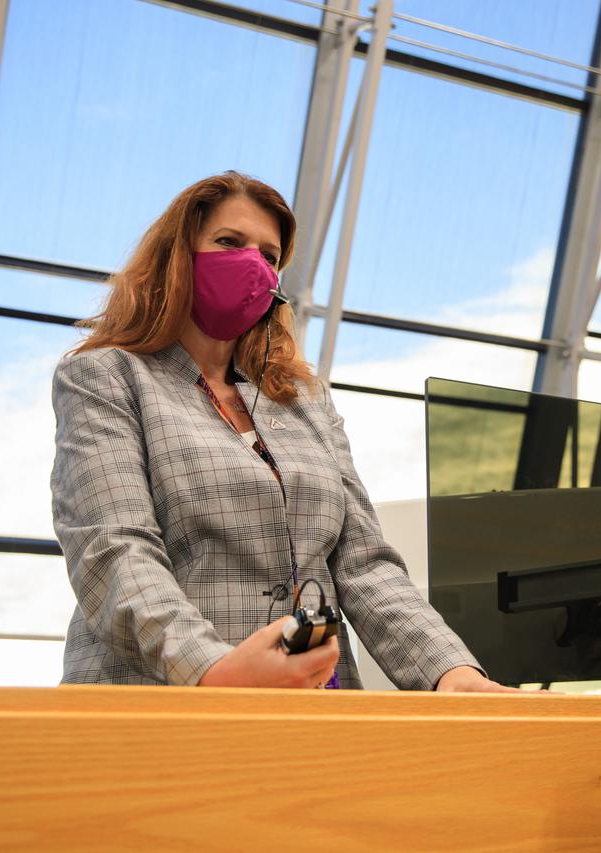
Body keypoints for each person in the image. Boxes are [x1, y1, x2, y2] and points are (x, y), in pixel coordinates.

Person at [51, 171, 514, 692]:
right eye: (228, 242)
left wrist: (449, 671)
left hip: (310, 706)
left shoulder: (305, 403)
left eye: (269, 256)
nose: (253, 263)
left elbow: (364, 562)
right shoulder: (105, 377)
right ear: (176, 256)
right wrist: (212, 669)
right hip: (159, 701)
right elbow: (113, 551)